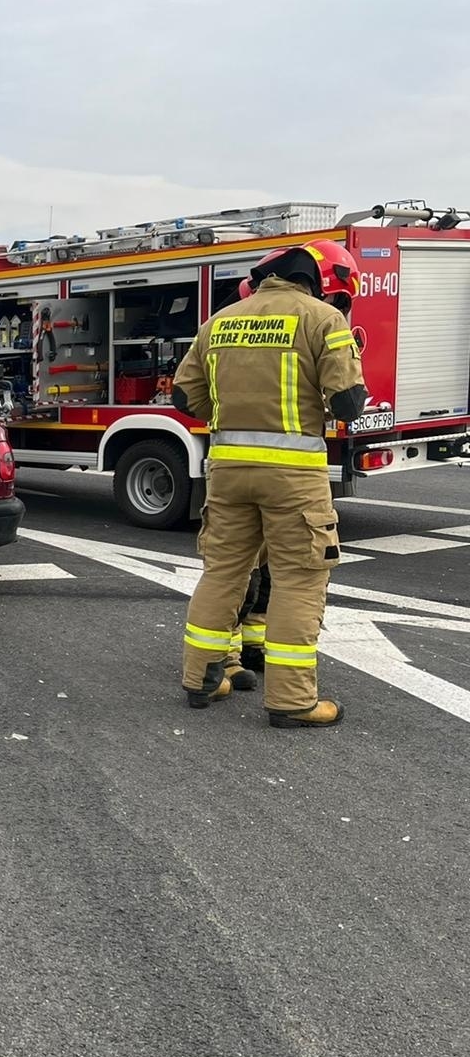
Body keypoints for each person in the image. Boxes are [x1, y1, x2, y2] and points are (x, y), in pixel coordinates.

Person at [172, 240, 365, 726]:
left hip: (227, 472)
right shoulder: (324, 319)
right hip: (294, 477)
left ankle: (202, 679)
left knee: (223, 572)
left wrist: (232, 416)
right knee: (299, 579)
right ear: (313, 280)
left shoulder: (218, 322)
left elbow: (183, 394)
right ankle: (292, 700)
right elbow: (348, 403)